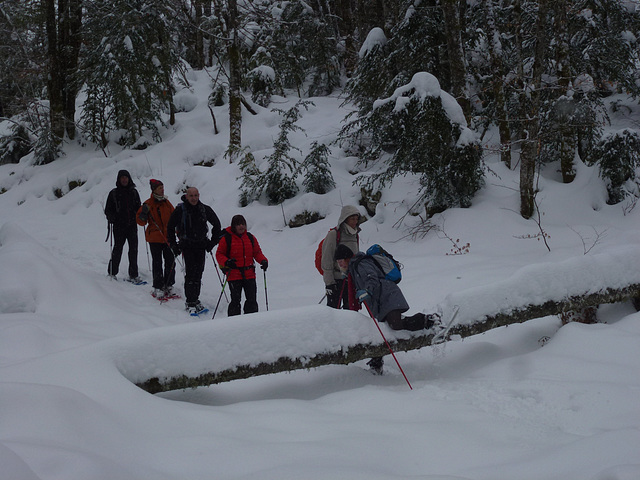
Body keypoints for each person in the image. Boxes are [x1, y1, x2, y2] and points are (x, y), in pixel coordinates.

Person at [334, 244, 434, 374]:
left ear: (347, 258)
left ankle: (428, 320)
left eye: (341, 261)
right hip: (381, 301)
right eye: (338, 263)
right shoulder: (354, 269)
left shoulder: (361, 264)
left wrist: (367, 290)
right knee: (380, 330)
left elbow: (371, 277)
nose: (340, 265)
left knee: (395, 324)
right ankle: (376, 364)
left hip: (388, 295)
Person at [167, 187, 222, 314]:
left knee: (199, 273)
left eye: (196, 195)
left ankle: (195, 299)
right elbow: (170, 227)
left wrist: (212, 242)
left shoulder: (204, 209)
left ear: (199, 195)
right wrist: (174, 245)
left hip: (201, 245)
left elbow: (217, 224)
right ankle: (190, 301)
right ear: (186, 196)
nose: (194, 198)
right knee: (191, 273)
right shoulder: (180, 210)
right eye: (191, 195)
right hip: (187, 245)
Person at [216, 215, 268, 317]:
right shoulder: (227, 238)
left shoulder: (250, 237)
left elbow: (257, 252)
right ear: (233, 226)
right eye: (238, 224)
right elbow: (219, 254)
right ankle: (234, 323)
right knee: (235, 301)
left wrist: (263, 261)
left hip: (249, 274)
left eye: (243, 224)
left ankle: (251, 321)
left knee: (252, 300)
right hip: (234, 274)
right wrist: (227, 262)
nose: (241, 226)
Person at [136, 179, 175, 298]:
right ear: (154, 190)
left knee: (170, 261)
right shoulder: (148, 204)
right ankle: (158, 286)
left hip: (167, 238)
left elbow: (174, 217)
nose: (162, 190)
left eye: (163, 187)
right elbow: (140, 222)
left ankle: (168, 284)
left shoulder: (167, 203)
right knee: (157, 263)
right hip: (155, 238)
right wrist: (143, 215)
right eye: (160, 188)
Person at [104, 169, 141, 282]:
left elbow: (138, 207)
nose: (124, 180)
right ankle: (112, 272)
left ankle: (133, 274)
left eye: (126, 177)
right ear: (119, 180)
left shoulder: (134, 192)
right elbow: (108, 209)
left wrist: (141, 214)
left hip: (132, 225)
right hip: (119, 226)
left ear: (129, 179)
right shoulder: (114, 193)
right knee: (118, 249)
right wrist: (111, 217)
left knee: (133, 250)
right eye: (122, 178)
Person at [321, 205, 361, 309]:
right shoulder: (334, 234)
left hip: (351, 280)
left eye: (356, 219)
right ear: (345, 218)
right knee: (333, 312)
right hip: (336, 280)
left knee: (351, 311)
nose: (355, 222)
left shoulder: (355, 235)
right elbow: (327, 259)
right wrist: (329, 283)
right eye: (352, 219)